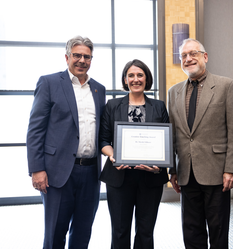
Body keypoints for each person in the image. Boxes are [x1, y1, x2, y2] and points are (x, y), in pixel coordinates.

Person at [26, 36, 106, 249]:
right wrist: (37, 169)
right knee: (55, 232)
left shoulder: (99, 89)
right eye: (77, 55)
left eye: (86, 56)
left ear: (91, 59)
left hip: (90, 173)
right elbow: (35, 130)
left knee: (83, 230)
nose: (82, 60)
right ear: (67, 57)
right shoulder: (49, 83)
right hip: (58, 173)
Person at [168, 38, 233, 249]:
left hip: (217, 172)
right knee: (191, 230)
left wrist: (232, 169)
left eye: (193, 53)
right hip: (186, 174)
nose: (188, 59)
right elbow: (173, 134)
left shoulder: (227, 86)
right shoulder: (174, 92)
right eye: (184, 55)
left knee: (218, 230)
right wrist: (173, 170)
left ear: (205, 57)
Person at [99, 59, 169, 249]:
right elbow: (104, 141)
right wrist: (113, 156)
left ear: (147, 79)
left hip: (151, 177)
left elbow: (166, 142)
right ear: (125, 79)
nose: (135, 79)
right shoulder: (112, 105)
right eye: (131, 75)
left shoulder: (159, 106)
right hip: (119, 177)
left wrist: (160, 164)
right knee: (120, 230)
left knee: (146, 231)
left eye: (140, 75)